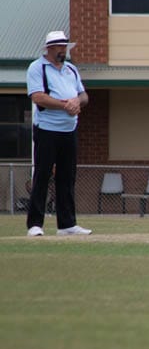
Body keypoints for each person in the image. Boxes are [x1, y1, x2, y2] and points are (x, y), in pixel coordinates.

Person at [25, 31, 91, 237]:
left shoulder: (71, 69)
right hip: (46, 129)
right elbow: (38, 97)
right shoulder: (37, 68)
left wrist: (77, 102)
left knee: (67, 177)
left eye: (65, 46)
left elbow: (84, 95)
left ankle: (67, 224)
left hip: (69, 130)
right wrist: (65, 105)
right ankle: (35, 224)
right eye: (60, 47)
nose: (64, 50)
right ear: (50, 48)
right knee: (42, 175)